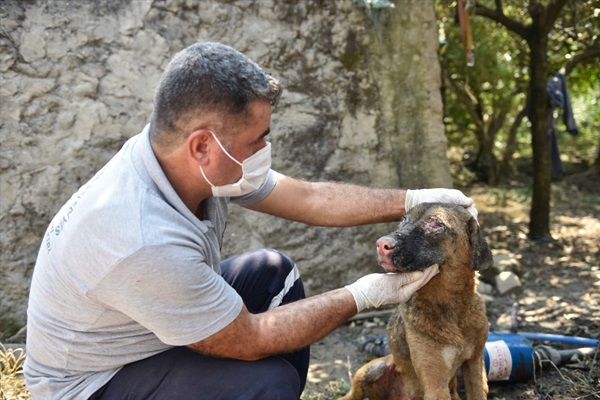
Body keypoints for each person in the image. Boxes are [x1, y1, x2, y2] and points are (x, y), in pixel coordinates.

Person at [24, 41, 477, 400]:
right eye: (256, 140)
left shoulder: (184, 160)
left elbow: (311, 199)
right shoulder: (141, 236)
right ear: (203, 145)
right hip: (95, 382)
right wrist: (363, 295)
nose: (264, 151)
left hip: (146, 327)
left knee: (272, 272)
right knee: (265, 384)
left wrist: (415, 198)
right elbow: (250, 338)